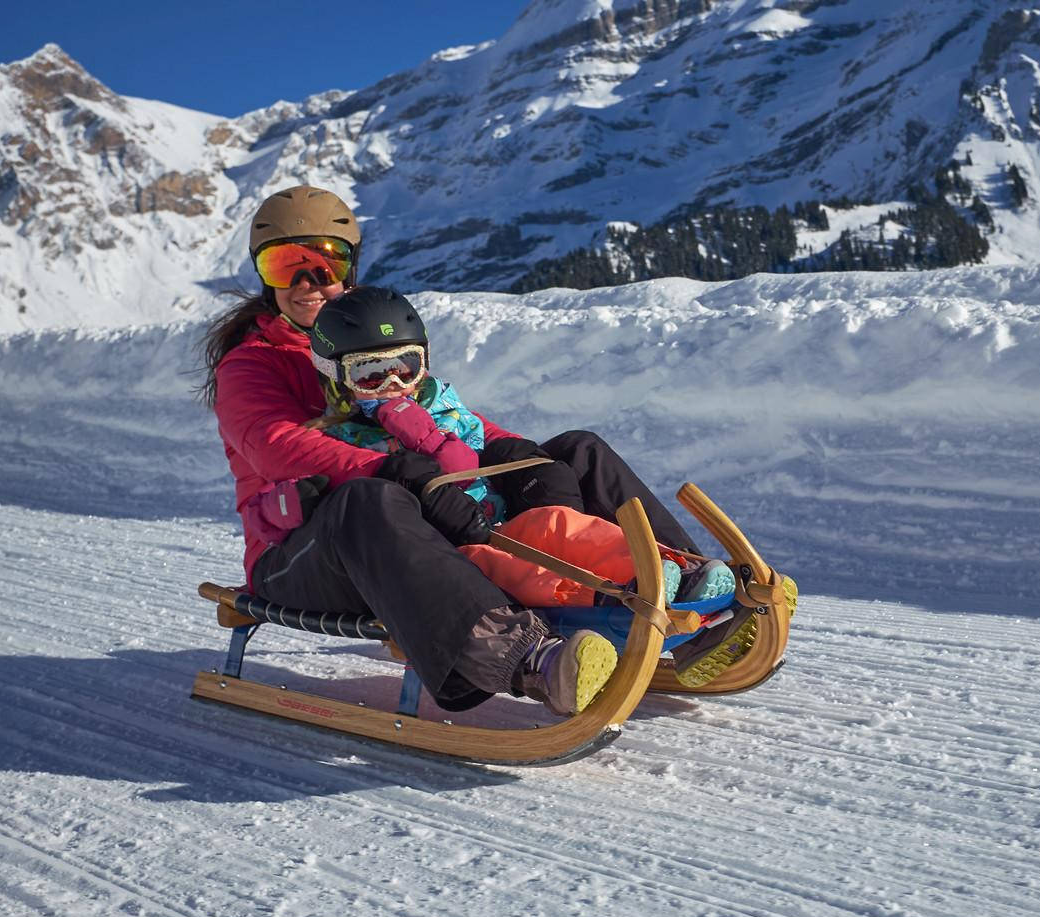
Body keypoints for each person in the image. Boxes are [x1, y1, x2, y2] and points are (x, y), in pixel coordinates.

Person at [197, 185, 744, 717]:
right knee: (367, 501)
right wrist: (393, 469)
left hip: (403, 543)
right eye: (284, 265)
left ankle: (695, 601)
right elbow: (277, 447)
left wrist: (512, 452)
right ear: (261, 275)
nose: (308, 282)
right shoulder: (252, 364)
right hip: (304, 553)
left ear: (350, 267)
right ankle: (529, 660)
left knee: (576, 451)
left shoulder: (362, 335)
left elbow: (443, 414)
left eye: (326, 263)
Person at [293, 285, 735, 610]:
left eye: (405, 368)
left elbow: (469, 460)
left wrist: (432, 434)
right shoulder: (343, 441)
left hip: (501, 518)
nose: (393, 387)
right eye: (371, 375)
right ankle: (610, 606)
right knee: (513, 572)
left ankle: (672, 571)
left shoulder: (445, 408)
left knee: (559, 525)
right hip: (448, 551)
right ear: (336, 378)